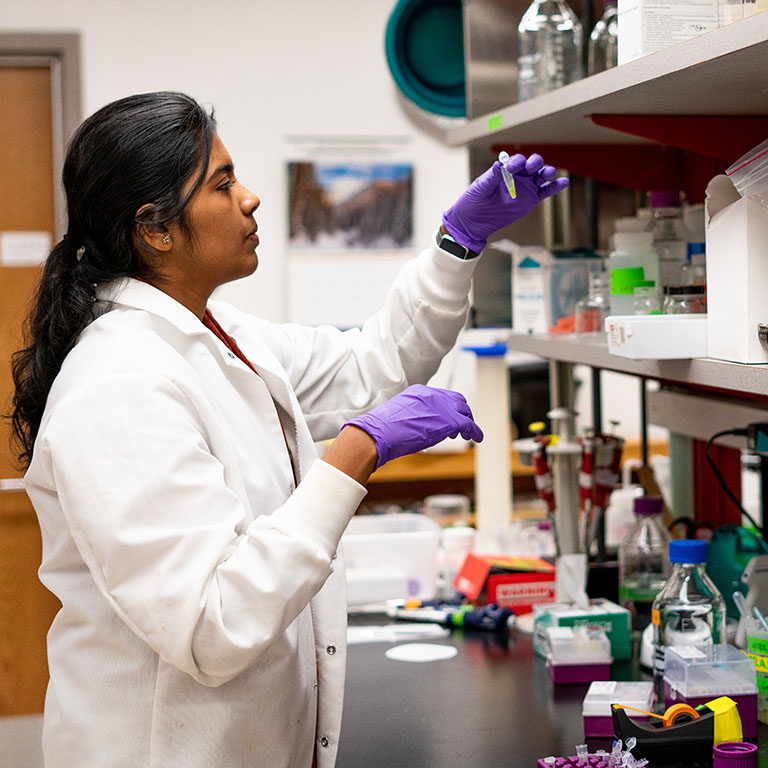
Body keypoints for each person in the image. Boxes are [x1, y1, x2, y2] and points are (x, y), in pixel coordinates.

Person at [9, 92, 568, 768]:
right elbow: (213, 623)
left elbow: (374, 366)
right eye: (222, 184)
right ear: (154, 228)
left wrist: (456, 246)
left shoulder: (223, 336)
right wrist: (357, 451)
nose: (250, 199)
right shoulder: (119, 385)